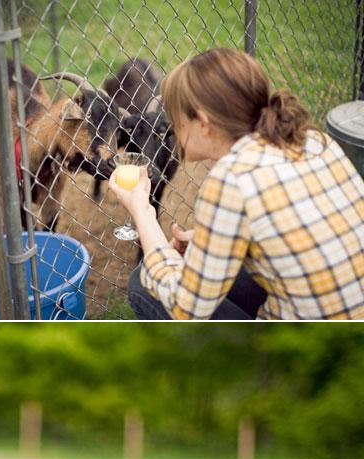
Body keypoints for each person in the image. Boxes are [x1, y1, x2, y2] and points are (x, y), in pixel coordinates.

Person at [110, 47, 364, 319]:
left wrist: (142, 213)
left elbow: (185, 308)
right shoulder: (312, 140)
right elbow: (305, 225)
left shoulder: (230, 179)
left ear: (204, 123)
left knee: (143, 283)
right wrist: (211, 238)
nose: (173, 129)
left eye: (176, 121)